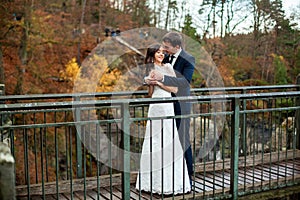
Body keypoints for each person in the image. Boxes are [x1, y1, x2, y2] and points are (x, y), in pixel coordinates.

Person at [136, 43, 191, 195]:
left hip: (167, 104)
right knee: (153, 141)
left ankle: (169, 183)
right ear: (152, 54)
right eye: (158, 52)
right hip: (155, 106)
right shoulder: (149, 68)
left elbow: (174, 89)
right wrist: (149, 81)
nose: (161, 54)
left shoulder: (167, 67)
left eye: (162, 52)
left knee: (168, 140)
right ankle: (152, 183)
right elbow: (147, 87)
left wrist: (160, 82)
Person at [146, 31, 195, 187]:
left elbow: (185, 82)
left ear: (177, 46)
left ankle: (188, 175)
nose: (164, 50)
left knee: (182, 138)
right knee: (165, 140)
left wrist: (163, 79)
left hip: (180, 105)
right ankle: (167, 177)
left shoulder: (188, 59)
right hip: (165, 106)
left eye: (167, 47)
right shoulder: (166, 57)